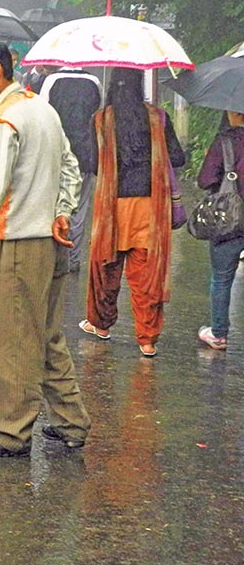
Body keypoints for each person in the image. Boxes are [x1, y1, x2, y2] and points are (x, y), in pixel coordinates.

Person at [0, 40, 91, 457]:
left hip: (17, 242)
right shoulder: (42, 109)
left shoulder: (6, 120)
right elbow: (72, 166)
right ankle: (71, 422)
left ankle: (10, 433)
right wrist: (62, 210)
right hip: (50, 241)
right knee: (46, 336)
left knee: (10, 339)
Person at [80, 68, 185, 357]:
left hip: (113, 208)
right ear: (141, 86)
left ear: (111, 86)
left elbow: (92, 164)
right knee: (146, 275)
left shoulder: (101, 119)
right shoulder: (158, 117)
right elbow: (178, 157)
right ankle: (147, 339)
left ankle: (101, 325)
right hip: (150, 208)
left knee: (106, 268)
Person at [39, 66, 102, 272]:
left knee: (54, 206)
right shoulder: (94, 82)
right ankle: (72, 258)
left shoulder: (52, 81)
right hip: (84, 155)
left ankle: (55, 257)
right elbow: (96, 115)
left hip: (56, 154)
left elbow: (43, 117)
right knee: (79, 208)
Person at [196, 111, 244, 350]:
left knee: (222, 278)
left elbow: (205, 180)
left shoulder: (225, 142)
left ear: (235, 113)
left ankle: (219, 333)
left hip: (229, 222)